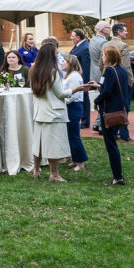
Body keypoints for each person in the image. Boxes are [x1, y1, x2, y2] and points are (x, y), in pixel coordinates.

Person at [29, 43, 92, 181]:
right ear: (51, 55)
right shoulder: (53, 71)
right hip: (54, 112)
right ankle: (54, 174)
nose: (59, 55)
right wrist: (76, 89)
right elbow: (60, 93)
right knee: (53, 145)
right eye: (57, 53)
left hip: (40, 111)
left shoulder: (34, 70)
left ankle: (36, 171)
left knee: (38, 144)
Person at [94, 45, 130, 186]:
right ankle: (118, 176)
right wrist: (99, 86)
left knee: (110, 144)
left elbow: (107, 91)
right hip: (119, 109)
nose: (102, 57)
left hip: (109, 111)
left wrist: (97, 101)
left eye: (103, 55)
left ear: (108, 56)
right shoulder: (121, 70)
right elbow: (112, 87)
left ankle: (117, 177)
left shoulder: (109, 70)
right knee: (112, 141)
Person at [62, 55, 89, 171]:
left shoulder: (74, 77)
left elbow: (75, 94)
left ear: (70, 63)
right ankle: (75, 159)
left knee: (74, 135)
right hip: (70, 106)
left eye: (63, 61)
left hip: (73, 107)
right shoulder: (69, 76)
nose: (61, 62)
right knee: (70, 134)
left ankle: (80, 162)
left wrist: (63, 101)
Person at [69, 29, 92, 128]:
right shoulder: (78, 47)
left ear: (78, 38)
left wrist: (86, 84)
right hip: (75, 78)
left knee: (84, 100)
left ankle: (85, 121)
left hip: (81, 80)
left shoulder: (85, 48)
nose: (71, 38)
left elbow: (86, 67)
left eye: (72, 36)